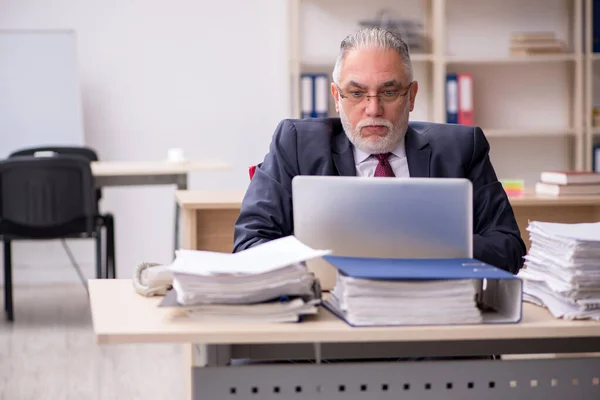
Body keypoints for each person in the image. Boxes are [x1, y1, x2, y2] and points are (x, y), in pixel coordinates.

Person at [233, 27, 526, 274]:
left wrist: (430, 244)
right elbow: (250, 243)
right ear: (337, 97)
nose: (373, 109)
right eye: (357, 93)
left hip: (435, 312)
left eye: (388, 92)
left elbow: (510, 249)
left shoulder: (462, 148)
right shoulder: (295, 143)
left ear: (411, 96)